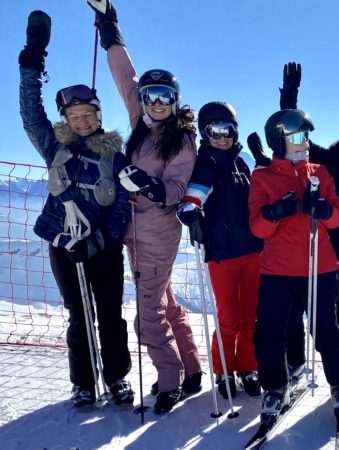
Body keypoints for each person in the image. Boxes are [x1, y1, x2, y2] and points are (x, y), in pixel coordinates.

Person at [90, 0, 203, 414]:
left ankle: (169, 380)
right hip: (132, 230)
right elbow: (125, 79)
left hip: (157, 230)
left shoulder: (181, 140)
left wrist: (151, 188)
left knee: (148, 314)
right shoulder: (141, 124)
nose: (155, 102)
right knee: (166, 302)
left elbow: (176, 186)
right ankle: (191, 371)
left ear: (175, 101)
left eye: (164, 96)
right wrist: (111, 31)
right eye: (151, 95)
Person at [18, 10, 133, 411]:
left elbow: (122, 207)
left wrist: (100, 239)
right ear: (65, 119)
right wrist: (33, 59)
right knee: (78, 315)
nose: (82, 122)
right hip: (64, 243)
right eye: (74, 116)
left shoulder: (114, 156)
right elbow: (30, 115)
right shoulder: (56, 149)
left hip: (102, 247)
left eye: (88, 115)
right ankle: (83, 382)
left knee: (110, 314)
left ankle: (117, 377)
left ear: (99, 117)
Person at [256, 62, 339, 396]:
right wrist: (289, 96)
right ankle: (295, 362)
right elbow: (290, 135)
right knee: (290, 315)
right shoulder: (327, 159)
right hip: (298, 247)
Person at [248, 109, 339, 420]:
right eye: (296, 137)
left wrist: (323, 210)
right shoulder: (263, 177)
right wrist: (274, 213)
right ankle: (274, 386)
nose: (304, 142)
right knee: (270, 331)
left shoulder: (319, 172)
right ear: (278, 142)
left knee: (325, 330)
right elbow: (257, 227)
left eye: (306, 136)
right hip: (277, 271)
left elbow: (338, 218)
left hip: (319, 268)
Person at [176, 101, 263, 399]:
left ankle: (248, 368)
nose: (223, 136)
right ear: (205, 133)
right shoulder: (206, 165)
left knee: (251, 317)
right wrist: (191, 215)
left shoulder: (243, 162)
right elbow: (191, 200)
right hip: (223, 255)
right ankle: (224, 370)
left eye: (228, 130)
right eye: (215, 130)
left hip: (253, 250)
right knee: (228, 318)